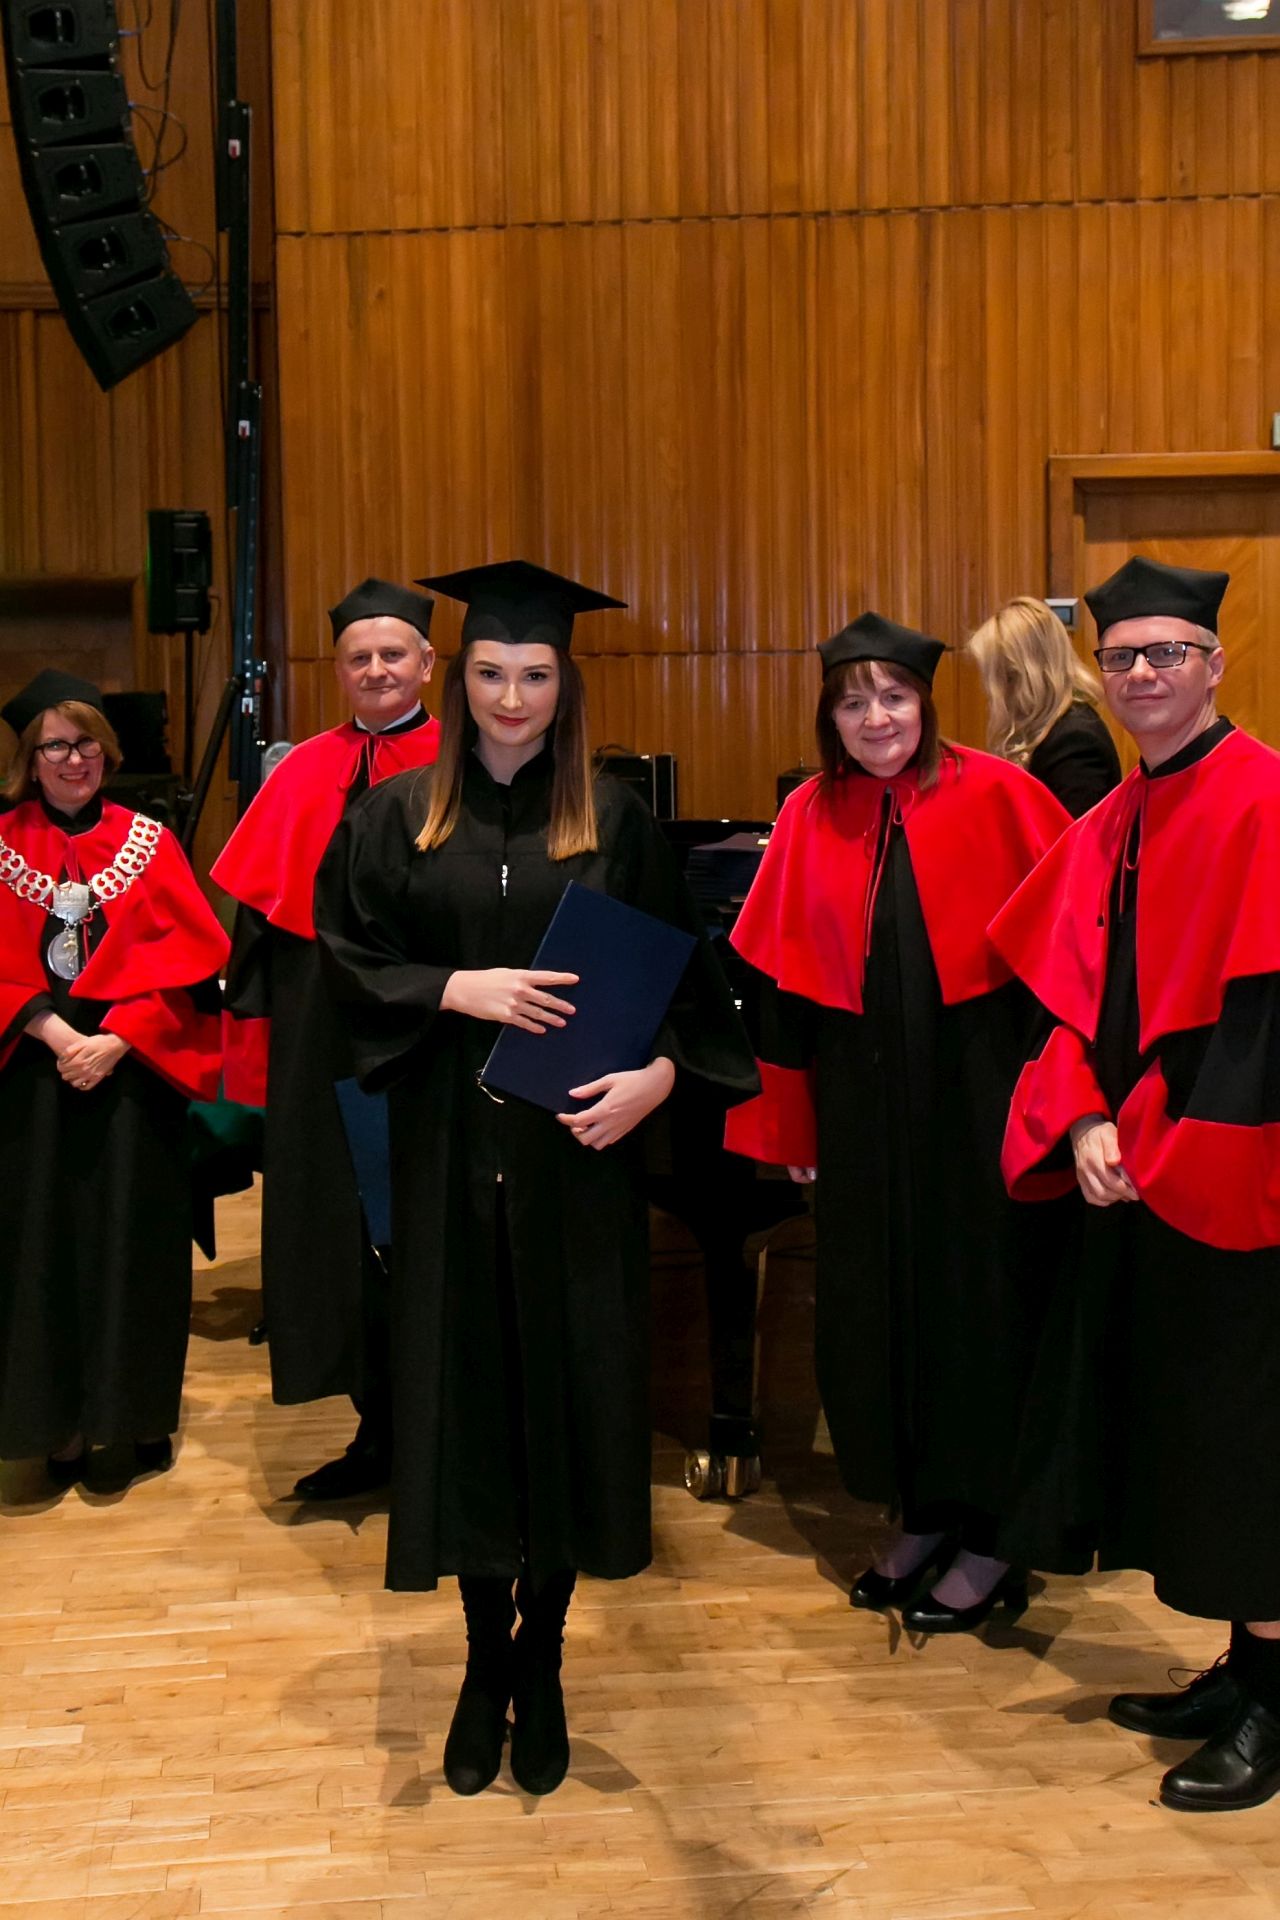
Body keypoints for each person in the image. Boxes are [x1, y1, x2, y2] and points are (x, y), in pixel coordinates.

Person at [313, 559, 758, 1798]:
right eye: (492, 673)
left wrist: (659, 1079)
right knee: (465, 1408)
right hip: (450, 1161)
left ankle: (544, 1658)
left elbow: (691, 993)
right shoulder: (396, 820)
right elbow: (345, 962)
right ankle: (480, 1661)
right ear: (461, 681)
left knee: (567, 1403)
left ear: (566, 687)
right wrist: (452, 988)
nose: (512, 698)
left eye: (536, 675)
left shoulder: (612, 823)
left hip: (576, 1173)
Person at [990, 555, 1280, 1813]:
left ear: (1213, 664)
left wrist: (1156, 1140)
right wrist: (1080, 1117)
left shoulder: (1263, 797)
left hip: (1235, 1174)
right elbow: (1070, 997)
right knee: (1186, 1432)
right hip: (1138, 1170)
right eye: (1121, 657)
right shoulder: (1117, 814)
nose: (1143, 673)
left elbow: (1258, 1021)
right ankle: (1243, 1665)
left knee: (1249, 1436)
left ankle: (1276, 1701)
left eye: (1168, 653)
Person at [723, 613, 1071, 1631]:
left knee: (982, 1313)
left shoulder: (1003, 796)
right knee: (877, 1317)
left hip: (979, 1110)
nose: (875, 718)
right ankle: (919, 1514)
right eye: (852, 702)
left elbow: (1066, 969)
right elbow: (780, 991)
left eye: (893, 696)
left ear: (925, 703)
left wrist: (1060, 1109)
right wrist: (789, 1129)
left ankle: (993, 1534)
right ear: (828, 717)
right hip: (864, 1115)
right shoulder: (807, 814)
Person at [212, 579, 439, 1500]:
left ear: (427, 663)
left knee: (429, 1226)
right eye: (359, 658)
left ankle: (447, 1440)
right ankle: (376, 1430)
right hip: (322, 1034)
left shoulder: (467, 761)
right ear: (338, 670)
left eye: (393, 654)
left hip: (430, 1028)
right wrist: (256, 1067)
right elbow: (258, 934)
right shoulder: (302, 770)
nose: (377, 670)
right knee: (341, 1235)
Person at [0, 670, 227, 1485]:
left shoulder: (150, 841)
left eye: (87, 742)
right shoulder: (0, 842)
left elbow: (190, 966)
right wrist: (60, 1034)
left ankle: (128, 1424)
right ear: (30, 760)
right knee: (38, 1246)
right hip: (28, 1077)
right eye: (56, 746)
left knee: (135, 1243)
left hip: (134, 1076)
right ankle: (54, 1425)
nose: (75, 759)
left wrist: (117, 1038)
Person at [968, 596, 1121, 817]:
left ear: (1019, 676)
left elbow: (1070, 833)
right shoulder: (1056, 728)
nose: (988, 690)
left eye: (996, 677)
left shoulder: (1074, 742)